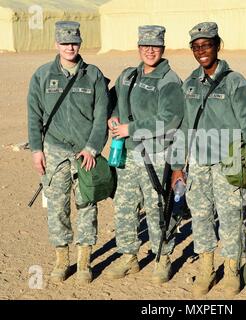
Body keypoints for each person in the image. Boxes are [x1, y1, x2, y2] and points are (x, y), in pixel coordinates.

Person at [171, 22, 246, 298]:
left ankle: (232, 271)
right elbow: (183, 128)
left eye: (207, 45)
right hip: (199, 164)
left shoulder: (235, 82)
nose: (202, 51)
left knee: (231, 218)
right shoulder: (189, 84)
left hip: (229, 162)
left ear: (217, 45)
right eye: (196, 47)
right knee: (200, 217)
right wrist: (178, 166)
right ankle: (206, 268)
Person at [27, 21, 110, 284]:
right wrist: (37, 150)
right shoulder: (42, 75)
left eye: (73, 42)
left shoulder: (93, 75)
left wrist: (92, 147)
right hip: (54, 152)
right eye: (64, 43)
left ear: (80, 43)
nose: (69, 47)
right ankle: (62, 259)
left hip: (85, 153)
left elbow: (100, 117)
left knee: (87, 205)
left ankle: (84, 260)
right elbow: (34, 116)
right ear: (56, 45)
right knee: (57, 208)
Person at [103, 25, 184, 284]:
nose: (150, 51)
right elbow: (113, 101)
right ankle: (129, 257)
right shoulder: (127, 75)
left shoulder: (169, 80)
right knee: (124, 207)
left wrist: (132, 128)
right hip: (127, 154)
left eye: (156, 46)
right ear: (139, 47)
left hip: (156, 155)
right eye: (145, 46)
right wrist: (113, 117)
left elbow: (170, 120)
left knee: (157, 208)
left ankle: (162, 257)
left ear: (163, 48)